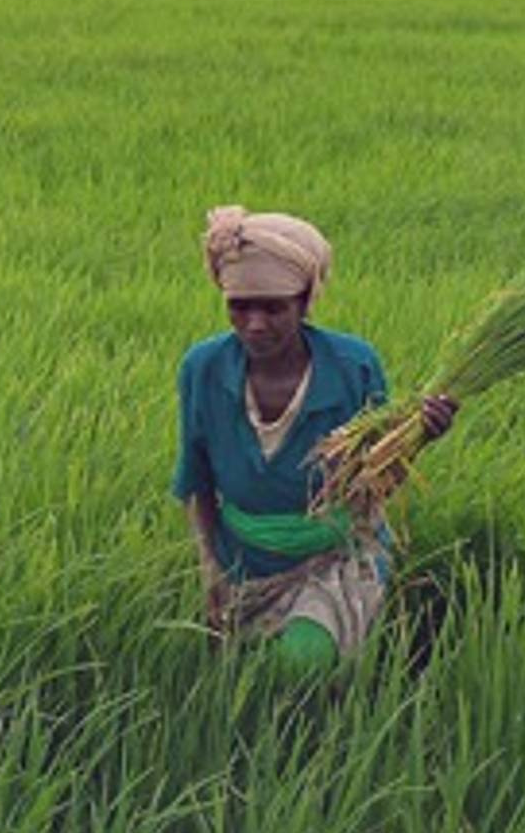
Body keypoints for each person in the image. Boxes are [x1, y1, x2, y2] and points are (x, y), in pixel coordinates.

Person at [170, 206, 456, 674]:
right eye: (239, 307)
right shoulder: (203, 369)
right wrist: (211, 572)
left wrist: (419, 437)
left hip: (334, 556)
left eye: (273, 307)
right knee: (236, 680)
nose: (255, 324)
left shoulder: (352, 367)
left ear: (306, 302)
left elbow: (374, 485)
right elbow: (196, 478)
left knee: (302, 666)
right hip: (242, 559)